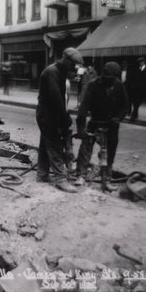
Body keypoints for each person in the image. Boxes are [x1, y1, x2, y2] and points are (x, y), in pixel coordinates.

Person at [36, 47, 84, 193]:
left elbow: (61, 99)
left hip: (50, 114)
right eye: (73, 65)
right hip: (47, 115)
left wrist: (64, 115)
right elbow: (56, 99)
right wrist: (65, 117)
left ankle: (42, 174)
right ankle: (60, 179)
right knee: (55, 145)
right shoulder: (53, 72)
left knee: (46, 143)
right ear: (66, 60)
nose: (74, 68)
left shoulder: (60, 72)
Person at [75, 62, 128, 190]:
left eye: (113, 78)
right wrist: (81, 129)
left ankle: (106, 180)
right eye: (107, 77)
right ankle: (81, 176)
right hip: (95, 122)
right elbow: (83, 108)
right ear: (103, 74)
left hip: (111, 125)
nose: (110, 80)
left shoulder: (119, 86)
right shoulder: (93, 85)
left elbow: (125, 106)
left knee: (109, 154)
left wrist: (118, 118)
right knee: (85, 150)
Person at [129, 57, 146, 121]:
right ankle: (135, 114)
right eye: (139, 62)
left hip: (143, 88)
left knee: (137, 102)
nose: (140, 63)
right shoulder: (138, 69)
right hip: (137, 88)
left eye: (141, 62)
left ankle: (134, 115)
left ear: (144, 62)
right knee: (136, 102)